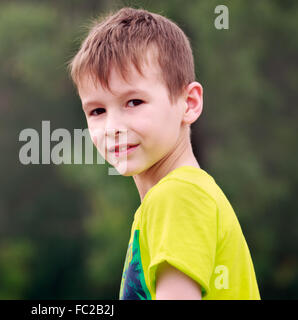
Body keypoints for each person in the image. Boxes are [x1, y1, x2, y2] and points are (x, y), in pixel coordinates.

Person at [68, 7, 260, 300]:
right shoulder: (177, 198)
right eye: (97, 110)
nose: (112, 127)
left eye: (133, 102)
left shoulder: (177, 197)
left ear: (189, 103)